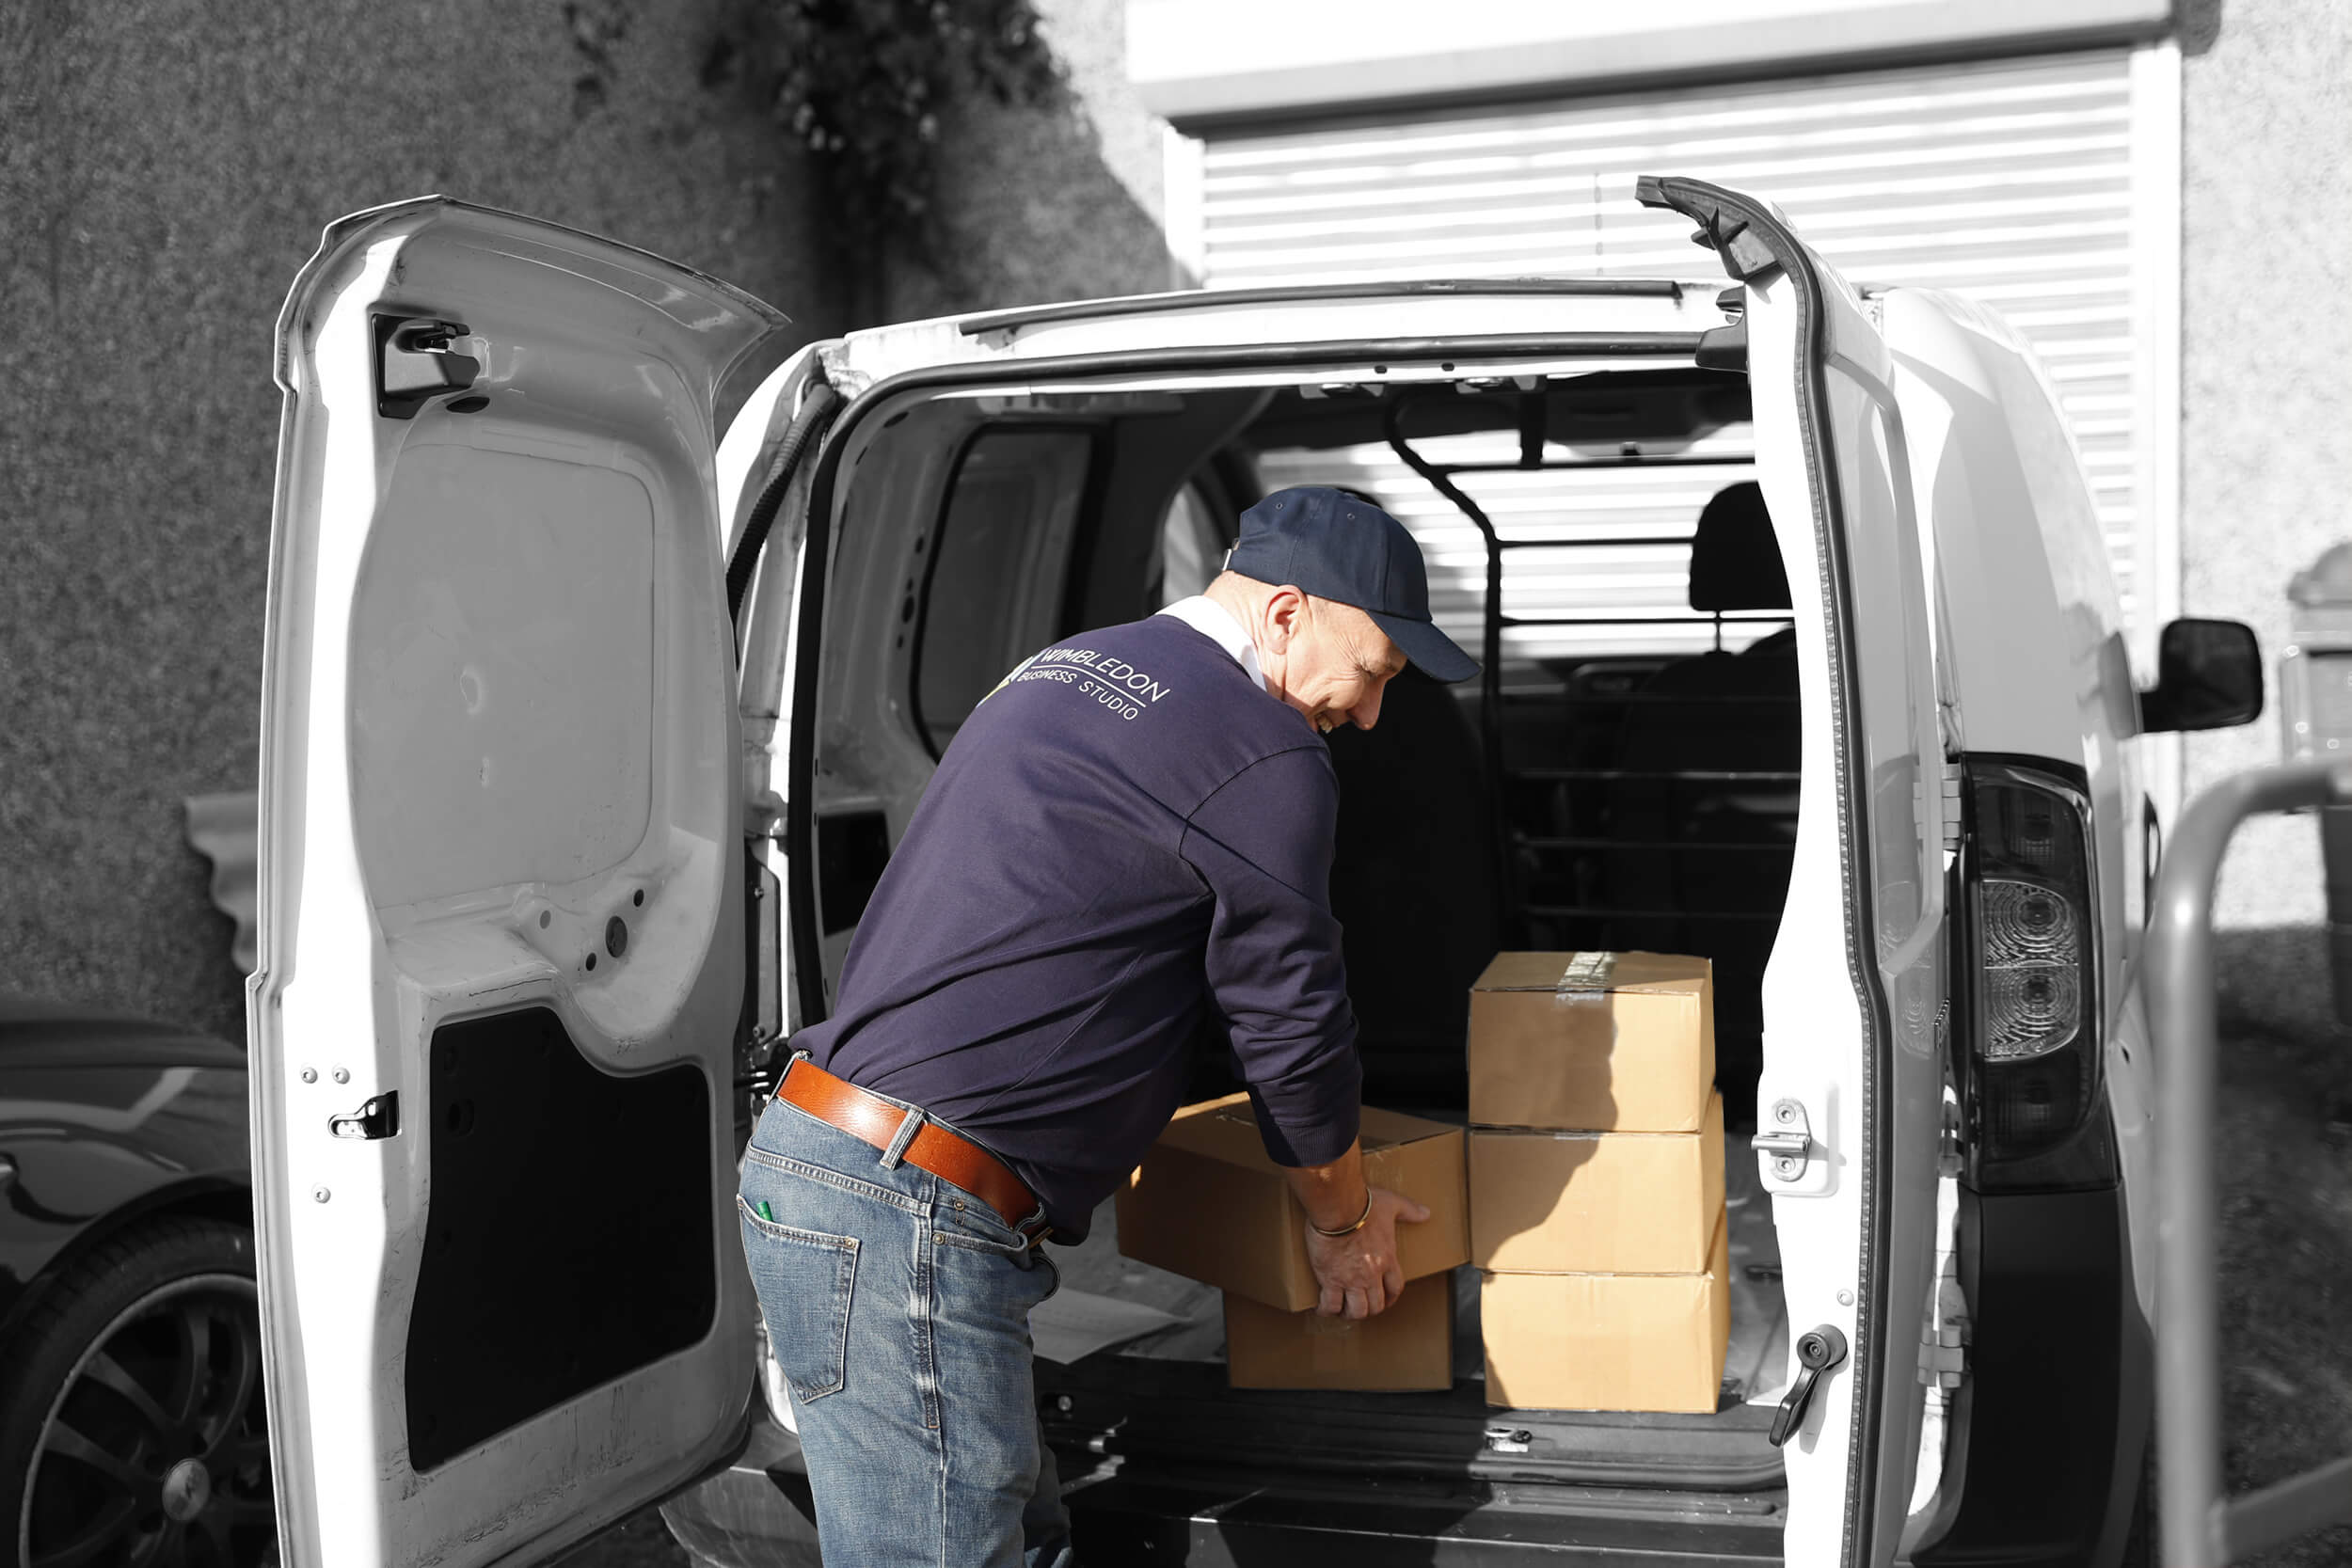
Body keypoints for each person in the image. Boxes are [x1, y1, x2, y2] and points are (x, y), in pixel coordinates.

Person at [736, 485, 1479, 1567]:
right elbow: (1291, 1020)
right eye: (1373, 671)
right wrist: (1338, 1215)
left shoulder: (1064, 667)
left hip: (829, 1167)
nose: (1368, 714)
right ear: (1284, 614)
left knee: (1021, 1542)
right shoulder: (1264, 751)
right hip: (907, 1210)